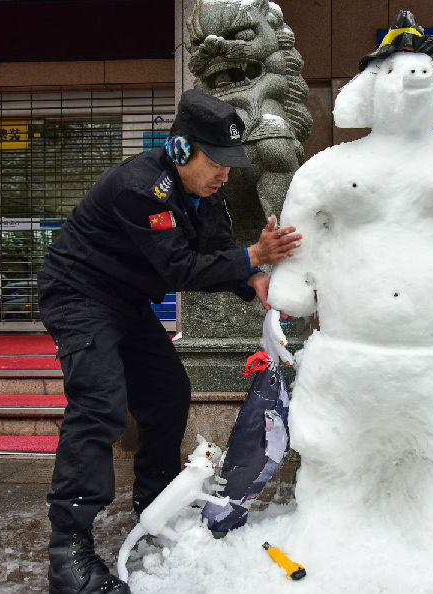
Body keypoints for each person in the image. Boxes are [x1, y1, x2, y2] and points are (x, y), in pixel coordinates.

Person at [38, 89, 301, 594]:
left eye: (232, 163)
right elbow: (178, 266)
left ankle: (155, 502)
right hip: (78, 295)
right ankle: (68, 557)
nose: (226, 173)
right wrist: (251, 257)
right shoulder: (141, 188)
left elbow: (209, 250)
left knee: (167, 391)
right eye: (218, 162)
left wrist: (249, 277)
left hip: (125, 301)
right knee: (99, 409)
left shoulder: (205, 192)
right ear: (182, 150)